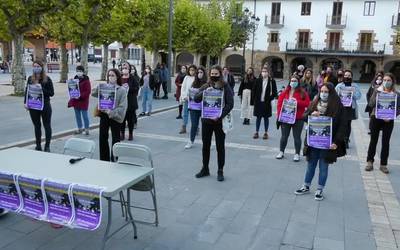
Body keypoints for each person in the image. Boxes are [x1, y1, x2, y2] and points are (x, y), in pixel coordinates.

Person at [294, 83, 347, 201]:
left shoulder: (338, 106)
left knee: (324, 166)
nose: (323, 94)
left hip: (328, 143)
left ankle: (319, 189)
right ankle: (306, 186)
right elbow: (304, 116)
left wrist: (336, 142)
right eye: (321, 91)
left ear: (331, 93)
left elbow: (343, 126)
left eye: (326, 92)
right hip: (313, 141)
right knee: (311, 165)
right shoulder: (314, 103)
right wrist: (311, 115)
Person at [194, 65, 234, 182]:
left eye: (216, 74)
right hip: (206, 121)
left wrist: (220, 115)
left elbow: (230, 104)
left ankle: (220, 170)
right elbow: (196, 98)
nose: (214, 76)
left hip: (219, 122)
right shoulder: (206, 86)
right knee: (205, 146)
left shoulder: (225, 86)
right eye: (212, 74)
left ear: (220, 74)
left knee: (220, 147)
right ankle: (205, 168)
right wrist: (204, 92)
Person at [366, 73, 400, 174]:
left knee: (386, 142)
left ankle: (383, 164)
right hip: (375, 118)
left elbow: (399, 108)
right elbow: (371, 104)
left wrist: (392, 116)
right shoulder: (377, 90)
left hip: (388, 120)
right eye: (384, 80)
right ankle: (369, 161)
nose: (386, 82)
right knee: (373, 140)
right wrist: (377, 94)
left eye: (388, 80)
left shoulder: (397, 94)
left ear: (392, 82)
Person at [94, 69, 127, 162]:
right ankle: (104, 159)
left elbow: (123, 107)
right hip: (104, 115)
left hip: (115, 116)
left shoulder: (122, 90)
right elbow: (93, 93)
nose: (110, 77)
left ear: (117, 77)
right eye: (109, 75)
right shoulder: (105, 87)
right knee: (103, 137)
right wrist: (99, 87)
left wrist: (111, 112)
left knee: (115, 138)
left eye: (112, 75)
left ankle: (114, 158)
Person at [276, 75, 310, 161]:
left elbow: (307, 103)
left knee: (297, 137)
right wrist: (279, 116)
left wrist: (297, 102)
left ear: (298, 82)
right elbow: (279, 104)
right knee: (284, 136)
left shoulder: (303, 92)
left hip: (298, 118)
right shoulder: (285, 92)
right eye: (292, 80)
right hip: (286, 117)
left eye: (295, 81)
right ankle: (281, 151)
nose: (293, 82)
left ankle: (297, 154)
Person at [24, 60, 54, 152]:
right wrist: (25, 102)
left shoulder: (47, 79)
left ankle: (47, 146)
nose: (36, 68)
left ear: (42, 68)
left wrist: (42, 89)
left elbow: (51, 93)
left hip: (45, 106)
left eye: (38, 66)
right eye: (34, 66)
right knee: (37, 126)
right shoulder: (30, 79)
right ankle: (38, 145)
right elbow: (27, 91)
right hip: (33, 106)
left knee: (47, 125)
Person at [335, 70, 362, 148]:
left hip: (350, 108)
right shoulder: (339, 85)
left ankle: (346, 140)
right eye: (346, 75)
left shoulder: (355, 86)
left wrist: (352, 93)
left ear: (351, 77)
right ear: (343, 76)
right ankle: (340, 139)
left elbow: (358, 96)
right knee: (341, 124)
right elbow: (334, 95)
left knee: (347, 125)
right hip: (341, 108)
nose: (347, 77)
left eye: (349, 75)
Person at [251, 67, 277, 139]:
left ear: (268, 72)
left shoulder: (272, 81)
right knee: (258, 117)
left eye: (265, 71)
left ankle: (266, 133)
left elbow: (275, 92)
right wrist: (254, 100)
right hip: (258, 102)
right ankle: (256, 132)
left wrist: (271, 98)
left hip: (267, 102)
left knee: (266, 117)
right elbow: (254, 90)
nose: (264, 73)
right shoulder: (257, 80)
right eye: (263, 71)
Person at [184, 66, 208, 149]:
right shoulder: (194, 83)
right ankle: (191, 141)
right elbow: (190, 94)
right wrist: (188, 97)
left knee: (205, 126)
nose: (199, 74)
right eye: (198, 73)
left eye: (201, 72)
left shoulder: (207, 84)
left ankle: (206, 142)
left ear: (204, 74)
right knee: (194, 125)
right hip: (194, 108)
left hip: (204, 109)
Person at [67, 65, 91, 135]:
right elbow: (72, 88)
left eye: (80, 71)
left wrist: (80, 96)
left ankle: (86, 129)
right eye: (77, 71)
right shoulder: (75, 79)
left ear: (83, 72)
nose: (78, 72)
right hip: (76, 100)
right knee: (77, 116)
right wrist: (70, 83)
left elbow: (88, 91)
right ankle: (80, 128)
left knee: (84, 115)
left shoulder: (86, 80)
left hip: (83, 100)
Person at [120, 62, 140, 141]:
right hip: (121, 103)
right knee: (122, 120)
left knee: (130, 120)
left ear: (129, 69)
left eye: (126, 68)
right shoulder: (119, 78)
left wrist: (128, 88)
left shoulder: (133, 78)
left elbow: (136, 88)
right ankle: (122, 134)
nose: (124, 69)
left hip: (131, 102)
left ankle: (130, 134)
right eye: (123, 68)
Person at [179, 65, 197, 134]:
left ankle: (196, 128)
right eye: (190, 70)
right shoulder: (186, 77)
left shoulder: (197, 78)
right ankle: (184, 127)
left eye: (193, 70)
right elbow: (183, 88)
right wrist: (183, 96)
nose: (191, 71)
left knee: (194, 115)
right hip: (186, 98)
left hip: (194, 99)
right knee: (185, 113)